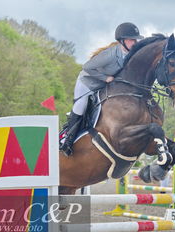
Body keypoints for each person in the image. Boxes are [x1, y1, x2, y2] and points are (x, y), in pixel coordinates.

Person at [60, 22, 143, 156]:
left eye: (135, 39)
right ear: (122, 41)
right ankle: (67, 140)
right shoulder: (110, 54)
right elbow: (87, 67)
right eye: (131, 39)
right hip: (87, 82)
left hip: (104, 86)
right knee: (81, 105)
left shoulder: (129, 54)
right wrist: (105, 78)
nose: (134, 42)